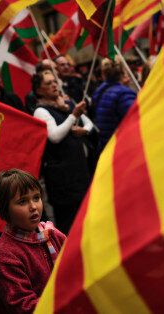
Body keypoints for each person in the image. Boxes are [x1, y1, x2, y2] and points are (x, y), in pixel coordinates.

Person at [0, 169, 66, 314]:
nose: (33, 206)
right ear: (5, 210)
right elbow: (24, 307)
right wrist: (64, 299)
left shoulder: (53, 235)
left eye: (36, 198)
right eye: (22, 201)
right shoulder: (5, 257)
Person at [32, 70, 93, 234]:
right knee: (70, 225)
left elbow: (89, 124)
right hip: (63, 182)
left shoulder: (65, 105)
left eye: (54, 81)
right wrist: (73, 115)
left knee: (87, 220)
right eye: (48, 83)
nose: (54, 85)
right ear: (38, 90)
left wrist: (84, 130)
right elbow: (54, 136)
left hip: (79, 174)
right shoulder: (41, 111)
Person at [92, 58, 137, 153]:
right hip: (125, 147)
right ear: (122, 72)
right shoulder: (124, 94)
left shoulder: (101, 92)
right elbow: (136, 121)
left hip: (110, 147)